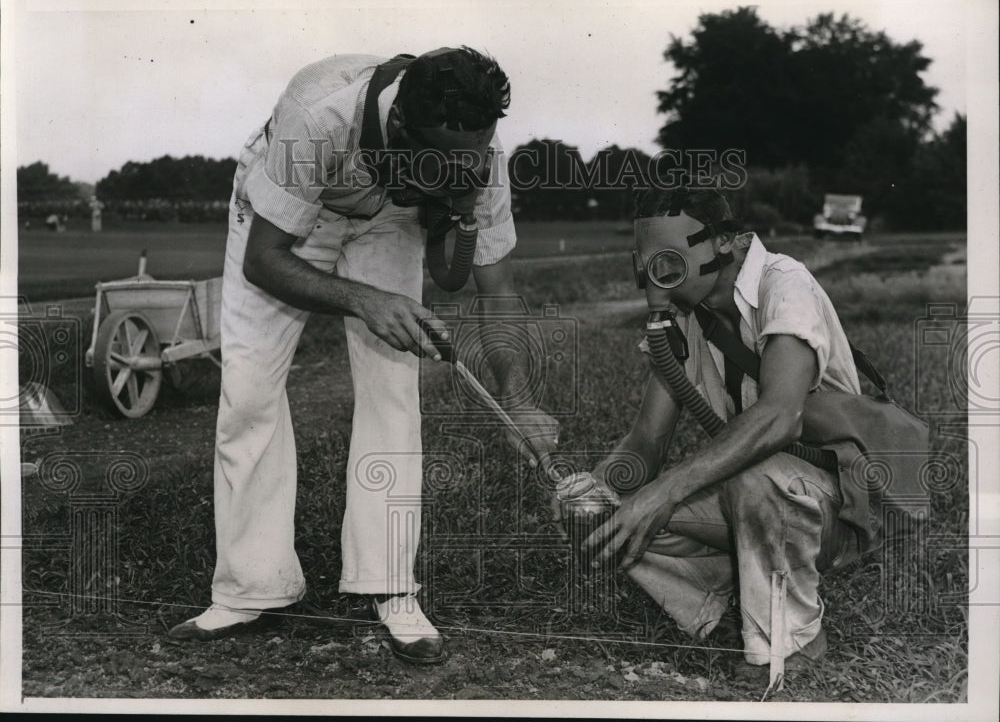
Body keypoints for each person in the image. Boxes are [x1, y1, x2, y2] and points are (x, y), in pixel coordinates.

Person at [168, 47, 558, 664]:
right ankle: (251, 587)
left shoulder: (476, 154)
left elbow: (494, 287)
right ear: (400, 126)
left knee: (392, 388)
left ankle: (392, 587)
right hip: (292, 212)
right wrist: (365, 301)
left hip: (391, 213)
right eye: (453, 162)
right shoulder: (318, 119)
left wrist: (518, 399)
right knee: (248, 393)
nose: (471, 170)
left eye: (477, 156)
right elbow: (265, 261)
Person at [584, 186, 867, 675]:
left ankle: (794, 639)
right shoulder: (686, 319)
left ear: (726, 241)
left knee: (752, 475)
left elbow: (781, 417)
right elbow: (647, 442)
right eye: (648, 263)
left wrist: (666, 491)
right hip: (762, 493)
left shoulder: (784, 284)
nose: (656, 276)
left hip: (838, 502)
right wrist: (597, 488)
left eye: (668, 259)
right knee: (605, 509)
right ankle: (721, 607)